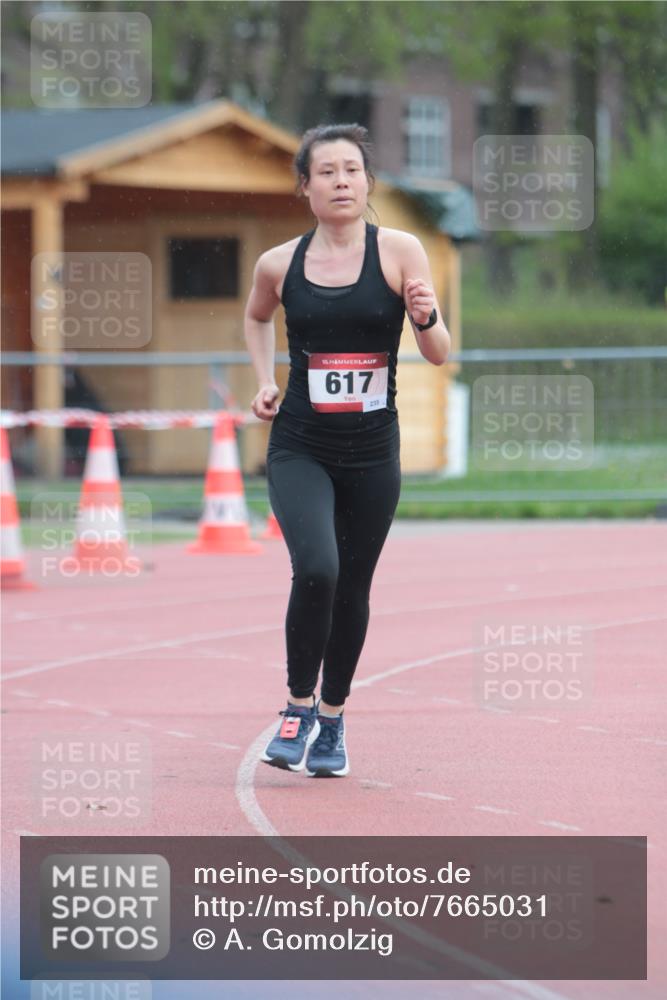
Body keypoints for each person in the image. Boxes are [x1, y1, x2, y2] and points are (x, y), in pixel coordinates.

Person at [244, 123, 450, 778]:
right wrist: (262, 379)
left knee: (352, 585)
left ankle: (332, 721)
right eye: (326, 171)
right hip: (300, 443)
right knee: (318, 568)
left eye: (352, 171)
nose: (341, 182)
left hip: (370, 450)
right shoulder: (279, 263)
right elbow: (254, 316)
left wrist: (423, 314)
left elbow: (440, 352)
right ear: (304, 187)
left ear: (367, 183)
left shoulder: (398, 251)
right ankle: (295, 706)